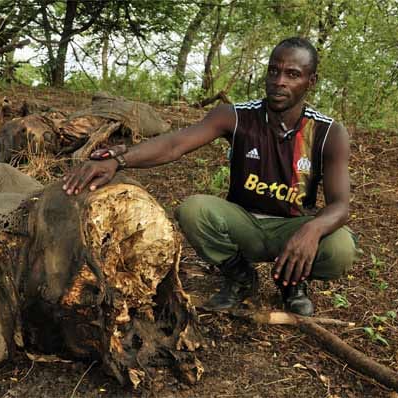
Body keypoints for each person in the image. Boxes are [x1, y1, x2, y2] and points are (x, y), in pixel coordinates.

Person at [62, 37, 360, 316]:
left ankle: (293, 281)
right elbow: (175, 144)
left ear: (311, 81)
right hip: (243, 221)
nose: (279, 82)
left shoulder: (328, 133)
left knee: (341, 247)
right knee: (194, 210)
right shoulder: (237, 116)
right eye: (273, 71)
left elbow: (340, 205)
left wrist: (311, 230)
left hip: (291, 227)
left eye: (292, 74)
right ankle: (240, 277)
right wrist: (119, 159)